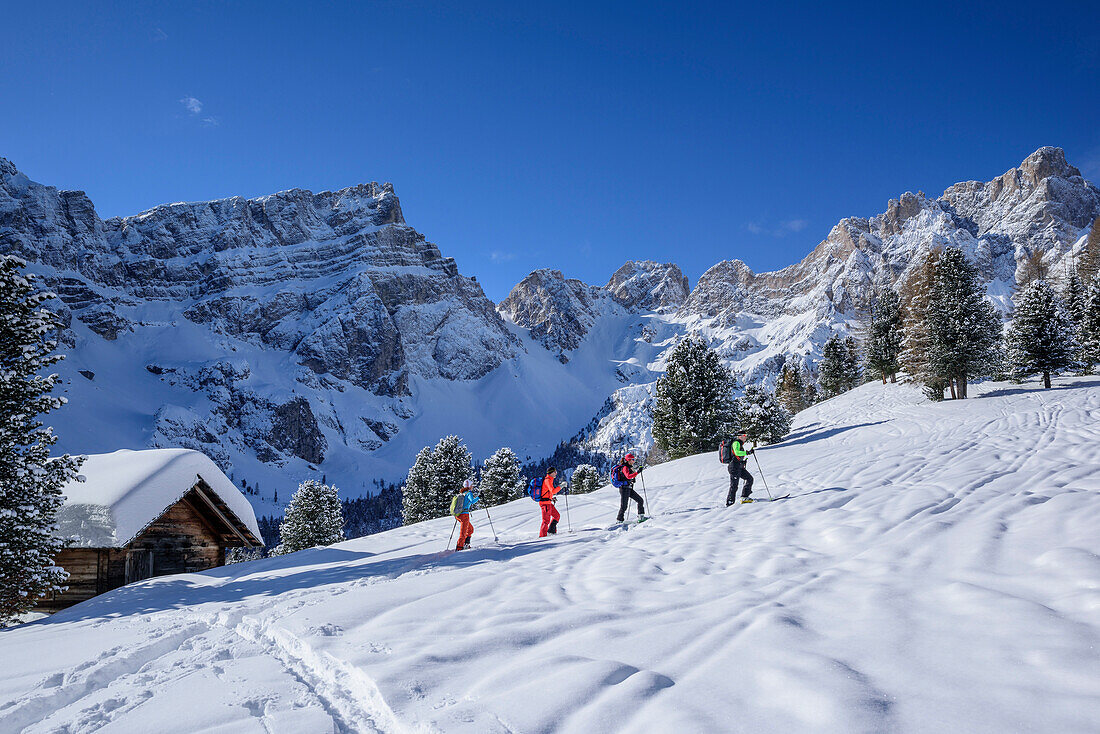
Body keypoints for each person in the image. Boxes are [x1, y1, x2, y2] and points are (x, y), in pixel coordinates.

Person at [613, 453, 645, 522]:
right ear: (628, 460)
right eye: (632, 459)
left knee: (640, 500)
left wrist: (632, 479)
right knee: (624, 506)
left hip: (628, 488)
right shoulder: (625, 467)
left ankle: (641, 517)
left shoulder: (629, 467)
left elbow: (629, 477)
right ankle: (619, 520)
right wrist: (637, 472)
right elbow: (628, 476)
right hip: (624, 489)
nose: (634, 461)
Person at [726, 433, 755, 506]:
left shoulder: (740, 444)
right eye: (744, 435)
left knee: (749, 478)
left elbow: (738, 455)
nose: (746, 437)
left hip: (739, 466)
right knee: (734, 485)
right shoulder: (736, 443)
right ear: (740, 436)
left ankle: (744, 497)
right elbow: (737, 452)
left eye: (746, 435)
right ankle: (730, 502)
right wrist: (746, 452)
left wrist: (742, 461)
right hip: (734, 467)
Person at [538, 467, 567, 537]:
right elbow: (553, 491)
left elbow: (547, 491)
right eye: (555, 472)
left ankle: (551, 531)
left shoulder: (550, 480)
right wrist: (561, 486)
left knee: (557, 516)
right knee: (546, 521)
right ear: (551, 473)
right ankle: (542, 537)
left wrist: (551, 498)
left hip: (548, 502)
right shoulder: (547, 480)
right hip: (545, 504)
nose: (556, 473)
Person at [455, 478, 480, 550]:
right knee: (464, 532)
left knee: (470, 529)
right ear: (468, 486)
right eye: (471, 485)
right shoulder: (469, 493)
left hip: (459, 515)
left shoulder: (462, 493)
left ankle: (466, 544)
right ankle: (460, 547)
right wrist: (479, 497)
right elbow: (472, 501)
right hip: (464, 515)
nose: (472, 486)